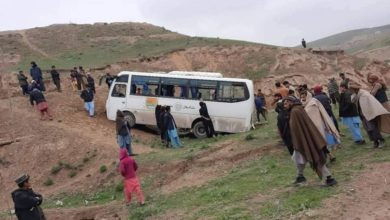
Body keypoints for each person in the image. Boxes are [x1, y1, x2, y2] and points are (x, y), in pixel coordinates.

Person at [284, 96, 337, 186]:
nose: (284, 105)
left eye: (286, 103)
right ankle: (300, 176)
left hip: (304, 141)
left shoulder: (295, 111)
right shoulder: (298, 109)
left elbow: (296, 129)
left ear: (291, 102)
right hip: (303, 140)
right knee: (298, 159)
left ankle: (329, 179)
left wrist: (298, 141)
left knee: (315, 158)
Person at [300, 91, 339, 162]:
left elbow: (315, 116)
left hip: (317, 125)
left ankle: (327, 158)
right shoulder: (304, 105)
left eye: (304, 97)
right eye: (301, 97)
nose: (302, 99)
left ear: (307, 95)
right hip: (311, 127)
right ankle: (330, 156)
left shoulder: (313, 103)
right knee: (319, 143)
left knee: (320, 142)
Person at [350, 82, 390, 148]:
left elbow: (372, 103)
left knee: (373, 128)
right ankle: (375, 142)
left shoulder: (364, 94)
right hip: (363, 115)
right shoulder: (356, 95)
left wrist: (370, 113)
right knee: (368, 129)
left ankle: (381, 141)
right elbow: (353, 101)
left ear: (354, 89)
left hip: (370, 114)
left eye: (350, 89)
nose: (350, 90)